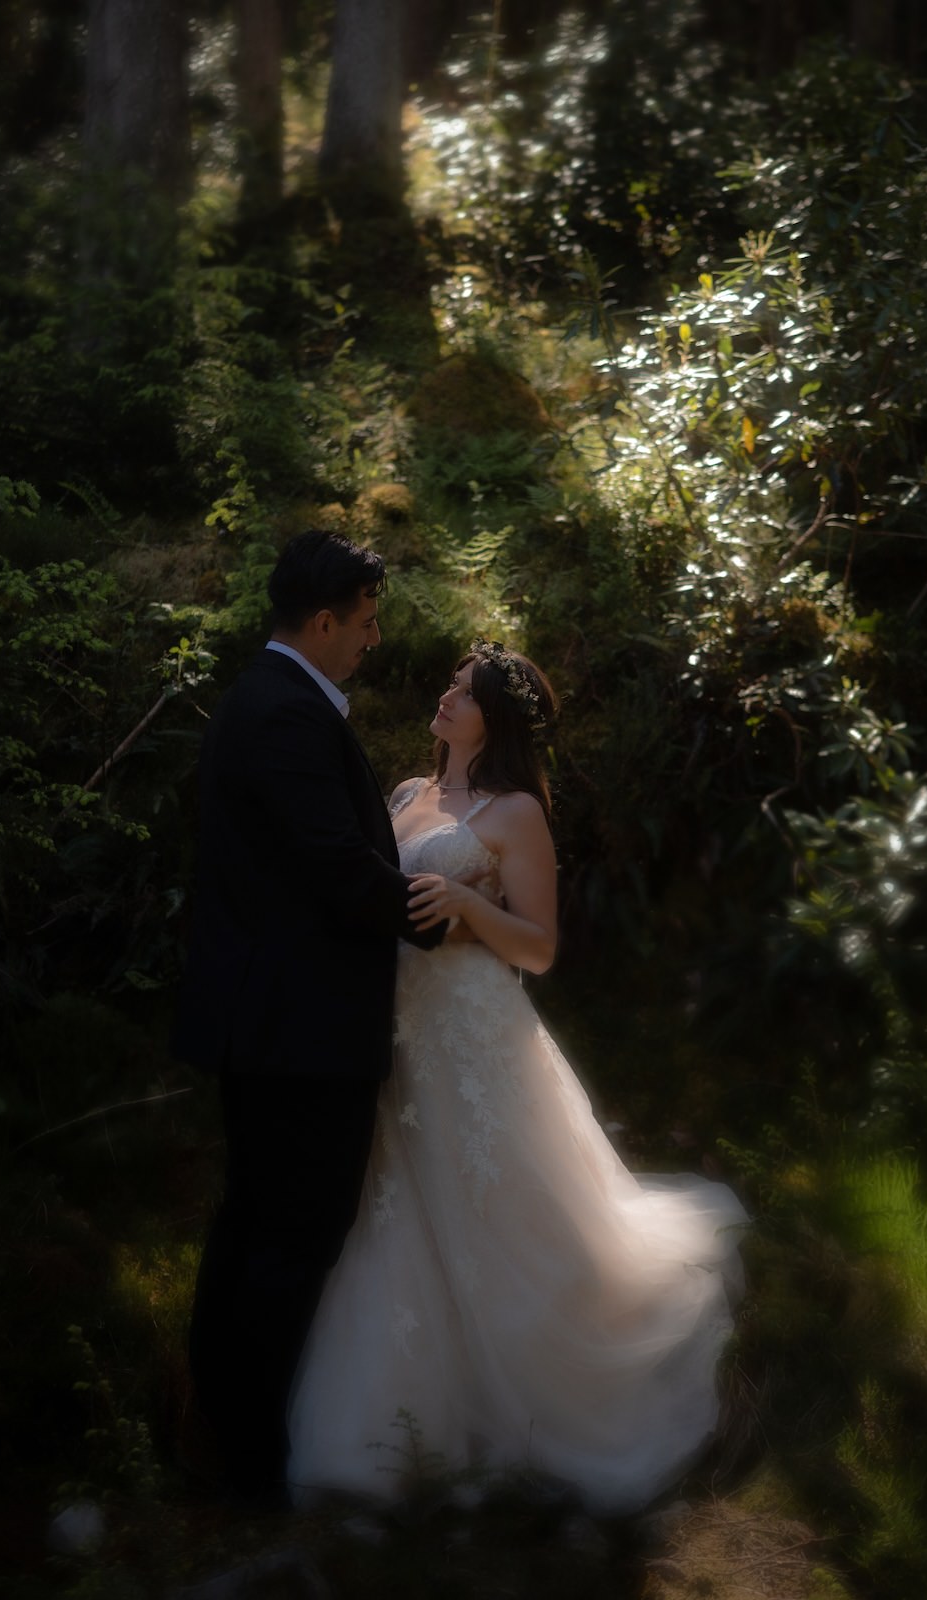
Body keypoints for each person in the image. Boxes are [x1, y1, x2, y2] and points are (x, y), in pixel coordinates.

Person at [287, 640, 748, 1513]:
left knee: (487, 1196)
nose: (445, 696)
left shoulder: (516, 813)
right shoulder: (405, 795)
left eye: (463, 691)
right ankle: (403, 1411)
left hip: (467, 1028)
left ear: (493, 719)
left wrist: (469, 904)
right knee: (394, 1198)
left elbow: (537, 948)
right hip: (389, 1022)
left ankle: (529, 1390)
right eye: (451, 684)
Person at [175, 530, 459, 1509]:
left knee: (255, 1221)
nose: (373, 641)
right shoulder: (286, 713)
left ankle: (219, 1429)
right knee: (293, 1233)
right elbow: (337, 865)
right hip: (296, 1030)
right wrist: (441, 918)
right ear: (325, 620)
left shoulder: (264, 700)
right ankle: (248, 1463)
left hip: (272, 1020)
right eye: (367, 622)